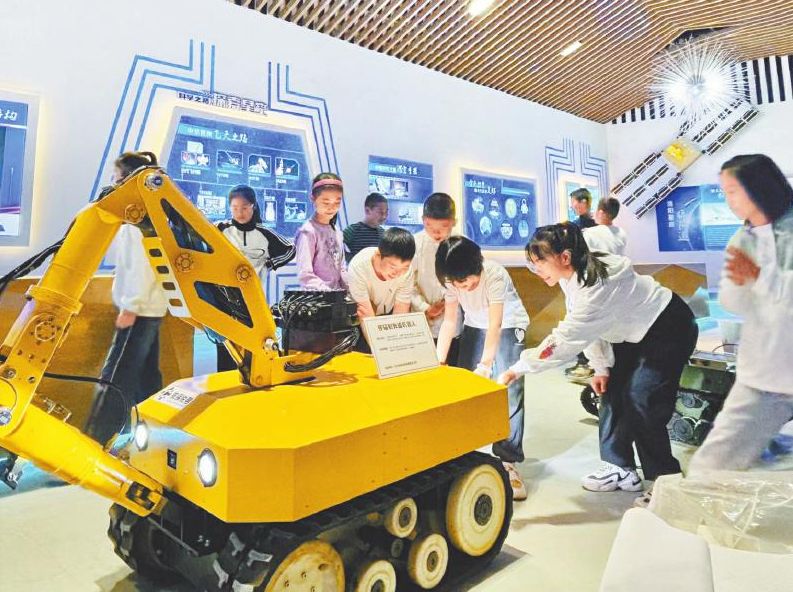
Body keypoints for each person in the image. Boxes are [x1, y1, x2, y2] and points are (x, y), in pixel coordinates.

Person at [499, 223, 697, 497]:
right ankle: (620, 467)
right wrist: (601, 367)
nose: (537, 269)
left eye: (540, 261)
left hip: (667, 326)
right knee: (611, 391)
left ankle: (666, 481)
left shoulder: (598, 283)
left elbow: (568, 338)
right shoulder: (574, 275)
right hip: (629, 333)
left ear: (564, 257)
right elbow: (590, 328)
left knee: (643, 398)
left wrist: (519, 368)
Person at [688, 155, 793, 475]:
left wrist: (760, 278)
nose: (729, 201)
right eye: (725, 193)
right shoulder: (742, 239)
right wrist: (744, 283)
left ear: (759, 187)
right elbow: (734, 301)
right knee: (713, 463)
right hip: (766, 369)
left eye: (733, 191)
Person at [435, 236, 530, 501]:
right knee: (467, 389)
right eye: (456, 283)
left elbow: (496, 324)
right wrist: (439, 361)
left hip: (509, 324)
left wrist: (486, 365)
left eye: (465, 281)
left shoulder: (494, 273)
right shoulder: (451, 279)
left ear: (477, 265)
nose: (462, 286)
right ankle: (468, 454)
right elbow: (449, 321)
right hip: (475, 325)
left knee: (508, 391)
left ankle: (508, 461)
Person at [85, 151, 167, 447]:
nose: (113, 183)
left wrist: (130, 307)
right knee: (146, 378)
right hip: (148, 309)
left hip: (139, 310)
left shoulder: (138, 220)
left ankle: (96, 441)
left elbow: (143, 268)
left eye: (118, 178)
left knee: (116, 377)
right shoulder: (148, 215)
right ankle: (155, 436)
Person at [214, 184, 295, 370]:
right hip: (223, 299)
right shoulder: (220, 229)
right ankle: (225, 379)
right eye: (235, 208)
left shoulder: (264, 233)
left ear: (253, 206)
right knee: (225, 344)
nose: (239, 213)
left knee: (252, 345)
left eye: (244, 208)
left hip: (252, 300)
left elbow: (290, 249)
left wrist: (269, 264)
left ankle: (250, 378)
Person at [412, 193, 461, 365]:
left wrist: (449, 301)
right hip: (421, 322)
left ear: (454, 221)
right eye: (429, 225)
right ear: (422, 220)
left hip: (453, 322)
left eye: (444, 226)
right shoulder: (414, 244)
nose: (436, 232)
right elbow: (407, 284)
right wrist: (425, 307)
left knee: (451, 370)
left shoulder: (462, 245)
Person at [348, 228, 415, 353]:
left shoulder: (407, 271)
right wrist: (381, 351)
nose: (398, 273)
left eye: (404, 268)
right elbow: (365, 313)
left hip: (388, 314)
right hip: (362, 319)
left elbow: (401, 310)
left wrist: (397, 347)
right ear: (378, 255)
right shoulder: (358, 267)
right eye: (393, 266)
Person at [295, 173, 348, 290]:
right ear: (313, 199)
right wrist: (328, 293)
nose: (332, 207)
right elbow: (305, 275)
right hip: (317, 297)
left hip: (336, 296)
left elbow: (342, 269)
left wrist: (353, 290)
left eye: (337, 202)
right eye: (326, 202)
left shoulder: (337, 231)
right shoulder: (308, 231)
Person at [343, 193, 388, 262]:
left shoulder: (384, 233)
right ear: (367, 210)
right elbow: (335, 246)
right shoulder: (353, 230)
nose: (384, 216)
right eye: (380, 212)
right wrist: (351, 259)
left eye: (386, 212)